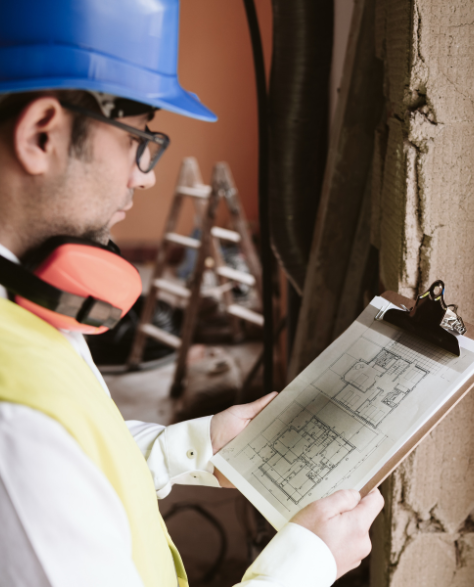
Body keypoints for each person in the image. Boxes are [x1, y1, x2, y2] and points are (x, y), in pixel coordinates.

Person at [0, 1, 384, 586]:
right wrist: (307, 563)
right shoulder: (14, 421)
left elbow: (83, 453)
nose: (146, 175)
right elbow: (45, 450)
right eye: (138, 139)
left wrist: (201, 445)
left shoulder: (23, 300)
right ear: (42, 134)